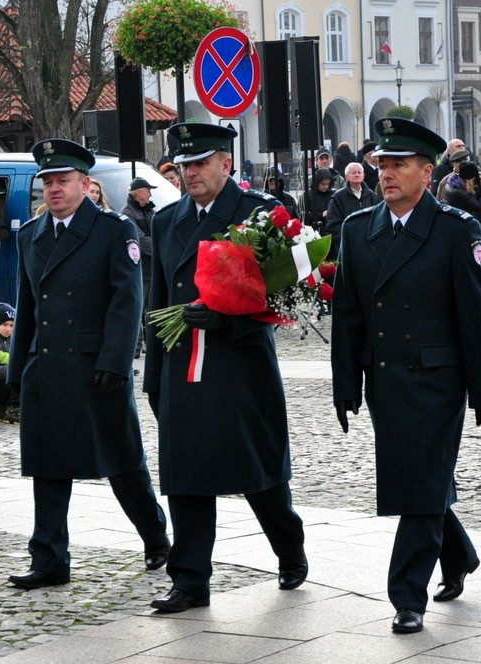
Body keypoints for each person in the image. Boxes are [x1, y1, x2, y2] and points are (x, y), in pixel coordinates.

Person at [331, 117, 481, 635]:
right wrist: (346, 386)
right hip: (385, 380)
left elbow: (480, 318)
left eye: (399, 165)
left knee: (421, 483)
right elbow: (348, 317)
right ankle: (458, 556)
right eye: (382, 164)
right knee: (421, 479)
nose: (386, 174)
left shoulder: (456, 229)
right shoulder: (358, 229)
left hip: (437, 380)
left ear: (427, 173)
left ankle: (407, 596)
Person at [143, 122, 308, 613]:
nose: (190, 173)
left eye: (200, 163)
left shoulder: (257, 213)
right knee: (185, 473)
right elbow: (157, 300)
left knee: (256, 470)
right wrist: (154, 372)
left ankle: (288, 545)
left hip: (239, 364)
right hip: (182, 364)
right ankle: (190, 579)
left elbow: (279, 298)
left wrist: (228, 318)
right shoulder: (166, 220)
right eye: (183, 165)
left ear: (225, 163)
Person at [6, 138, 169, 590]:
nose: (54, 190)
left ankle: (156, 538)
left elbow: (127, 300)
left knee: (122, 460)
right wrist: (16, 372)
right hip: (48, 362)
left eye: (63, 181)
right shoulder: (30, 235)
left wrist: (116, 362)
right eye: (48, 182)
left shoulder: (113, 230)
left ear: (84, 183)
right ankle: (49, 557)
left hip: (97, 366)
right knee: (48, 465)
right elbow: (27, 308)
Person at [121, 176, 157, 358]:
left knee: (152, 309)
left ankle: (153, 346)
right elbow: (140, 240)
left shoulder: (149, 210)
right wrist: (161, 248)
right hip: (139, 269)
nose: (150, 193)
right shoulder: (127, 213)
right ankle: (134, 348)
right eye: (147, 190)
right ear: (137, 193)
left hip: (152, 268)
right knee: (137, 308)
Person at [324, 161, 377, 252]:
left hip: (369, 246)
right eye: (353, 173)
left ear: (363, 176)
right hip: (347, 247)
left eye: (359, 172)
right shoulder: (338, 197)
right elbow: (333, 225)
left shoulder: (372, 196)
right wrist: (345, 242)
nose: (357, 175)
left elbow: (378, 219)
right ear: (346, 177)